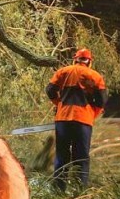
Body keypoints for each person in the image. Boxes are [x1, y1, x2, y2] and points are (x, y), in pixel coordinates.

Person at [45, 48, 108, 191]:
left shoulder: (63, 71)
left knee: (62, 155)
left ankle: (59, 190)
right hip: (83, 120)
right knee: (81, 157)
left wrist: (59, 103)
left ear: (75, 59)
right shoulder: (95, 76)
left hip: (63, 119)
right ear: (89, 61)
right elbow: (102, 100)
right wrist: (93, 111)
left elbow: (50, 90)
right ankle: (80, 191)